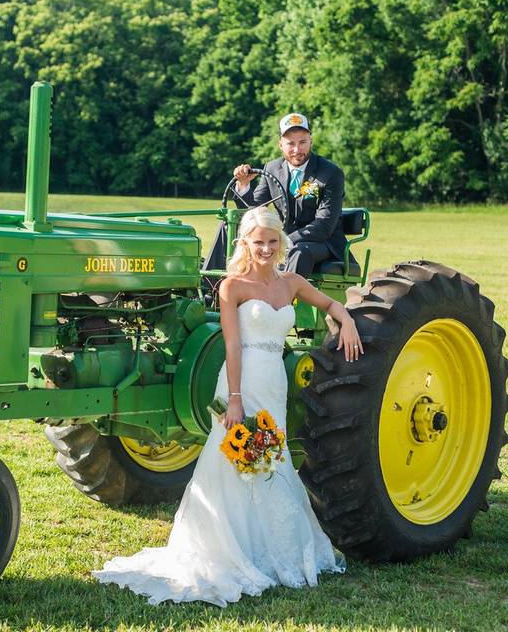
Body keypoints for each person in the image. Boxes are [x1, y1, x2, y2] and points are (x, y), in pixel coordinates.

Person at [92, 207, 362, 606]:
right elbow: (232, 344)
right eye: (258, 242)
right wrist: (233, 399)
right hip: (242, 378)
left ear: (281, 243)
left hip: (273, 380)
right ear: (246, 244)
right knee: (235, 459)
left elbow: (330, 305)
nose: (266, 248)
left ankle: (272, 545)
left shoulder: (291, 283)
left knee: (273, 455)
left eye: (272, 241)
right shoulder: (232, 287)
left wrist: (348, 320)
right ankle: (231, 547)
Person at [228, 113, 347, 276]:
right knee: (228, 227)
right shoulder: (272, 168)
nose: (297, 150)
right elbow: (253, 212)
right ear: (280, 145)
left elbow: (324, 225)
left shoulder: (330, 173)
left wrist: (284, 240)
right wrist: (243, 184)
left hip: (323, 243)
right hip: (281, 239)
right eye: (290, 143)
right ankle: (212, 289)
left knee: (298, 251)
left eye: (303, 142)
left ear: (311, 140)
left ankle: (282, 300)